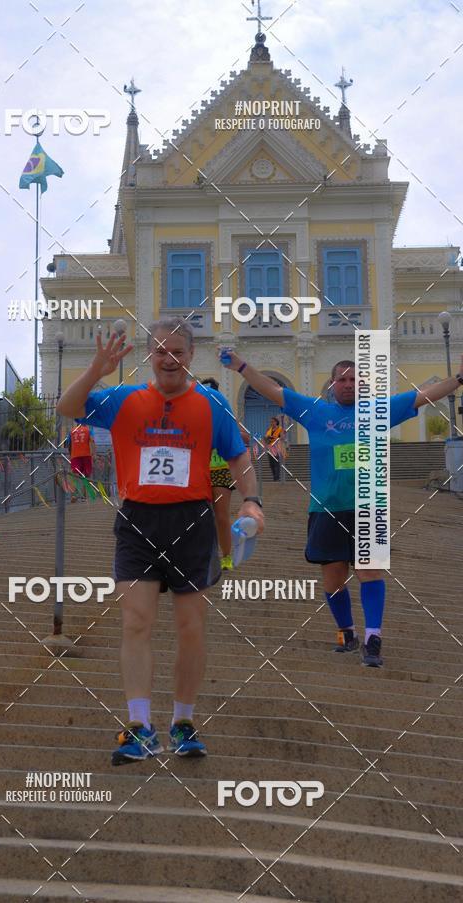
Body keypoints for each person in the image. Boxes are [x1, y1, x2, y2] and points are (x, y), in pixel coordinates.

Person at [57, 319, 264, 765]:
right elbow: (66, 407)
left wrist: (252, 501)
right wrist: (96, 369)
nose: (170, 359)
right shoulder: (123, 398)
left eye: (178, 352)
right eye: (161, 352)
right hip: (138, 521)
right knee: (136, 623)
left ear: (192, 356)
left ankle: (183, 723)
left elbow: (239, 455)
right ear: (150, 356)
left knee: (191, 627)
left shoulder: (211, 403)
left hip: (192, 521)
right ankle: (140, 726)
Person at [221, 349, 463, 667]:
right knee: (334, 579)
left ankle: (373, 638)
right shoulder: (316, 411)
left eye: (355, 380)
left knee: (368, 572)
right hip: (326, 509)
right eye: (343, 380)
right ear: (332, 384)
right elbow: (272, 390)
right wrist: (241, 366)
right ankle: (345, 633)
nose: (349, 384)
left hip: (368, 507)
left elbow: (422, 396)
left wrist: (458, 379)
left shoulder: (378, 411)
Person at [201, 377, 251, 571]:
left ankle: (227, 556)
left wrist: (228, 432)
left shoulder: (225, 414)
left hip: (221, 470)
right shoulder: (192, 413)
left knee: (221, 515)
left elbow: (245, 437)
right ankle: (205, 554)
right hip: (199, 471)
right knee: (201, 516)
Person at [264, 416, 286, 482]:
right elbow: (265, 438)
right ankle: (275, 477)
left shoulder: (280, 429)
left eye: (272, 421)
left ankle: (276, 478)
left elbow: (282, 438)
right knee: (271, 464)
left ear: (276, 422)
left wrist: (275, 438)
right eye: (271, 422)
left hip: (277, 447)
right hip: (270, 448)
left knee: (276, 462)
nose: (271, 423)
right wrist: (267, 439)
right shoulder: (268, 429)